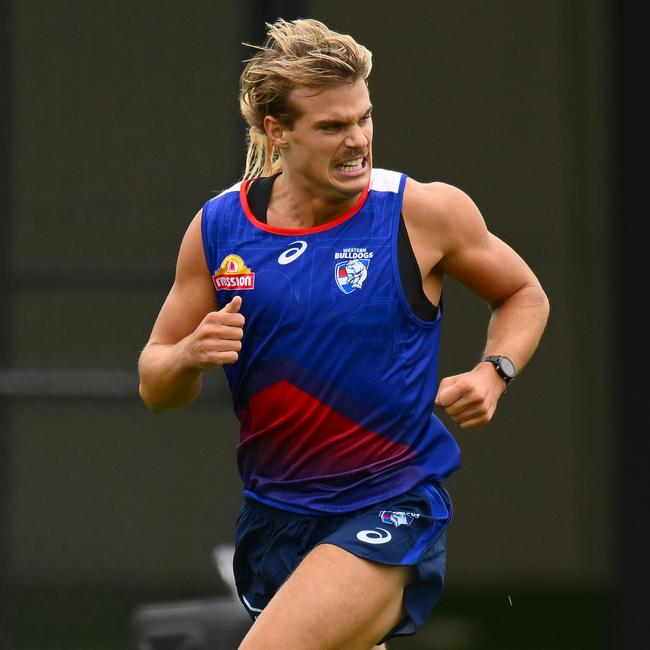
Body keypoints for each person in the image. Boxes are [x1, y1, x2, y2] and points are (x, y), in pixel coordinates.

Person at [138, 18, 549, 650]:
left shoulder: (422, 212)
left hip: (389, 504)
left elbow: (523, 293)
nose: (357, 140)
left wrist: (494, 371)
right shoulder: (219, 228)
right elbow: (156, 384)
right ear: (278, 132)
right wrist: (191, 354)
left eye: (364, 118)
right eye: (332, 126)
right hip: (275, 519)